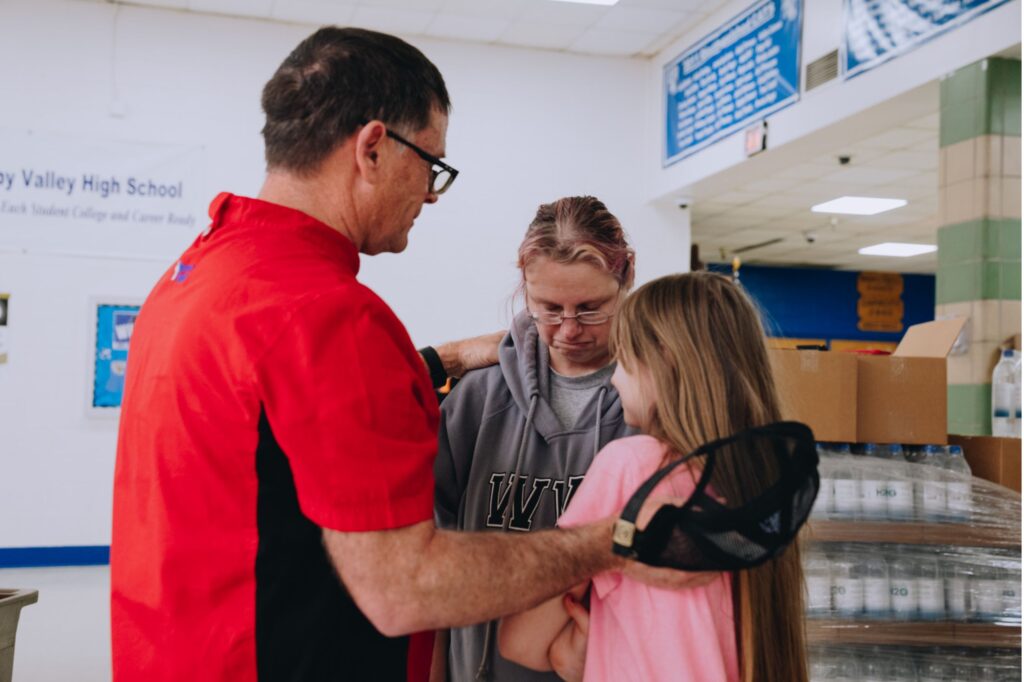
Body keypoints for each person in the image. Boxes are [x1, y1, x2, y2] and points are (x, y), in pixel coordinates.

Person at [109, 27, 700, 682]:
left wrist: (439, 359)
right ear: (372, 148)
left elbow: (278, 422)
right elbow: (406, 591)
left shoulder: (196, 278)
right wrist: (613, 540)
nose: (431, 194)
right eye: (430, 165)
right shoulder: (330, 318)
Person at [498, 272, 808, 682]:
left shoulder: (633, 466)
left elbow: (520, 640)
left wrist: (572, 648)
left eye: (623, 359)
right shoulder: (769, 481)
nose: (613, 379)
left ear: (664, 360)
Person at [432, 196, 637, 682]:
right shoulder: (476, 401)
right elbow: (435, 560)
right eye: (549, 308)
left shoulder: (652, 406)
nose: (568, 330)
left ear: (625, 279)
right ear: (525, 289)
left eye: (590, 310)